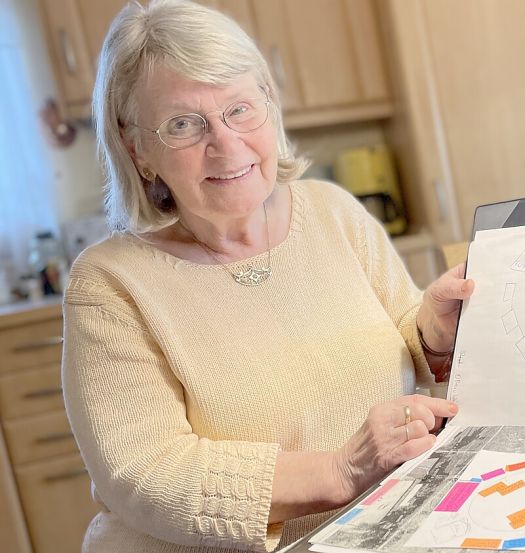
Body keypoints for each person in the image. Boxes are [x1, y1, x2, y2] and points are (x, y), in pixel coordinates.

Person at [61, 1, 474, 551]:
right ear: (138, 148)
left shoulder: (332, 211)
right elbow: (146, 474)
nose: (226, 143)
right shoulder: (110, 285)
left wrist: (431, 331)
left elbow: (397, 336)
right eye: (184, 124)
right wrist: (340, 470)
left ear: (269, 106)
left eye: (239, 109)